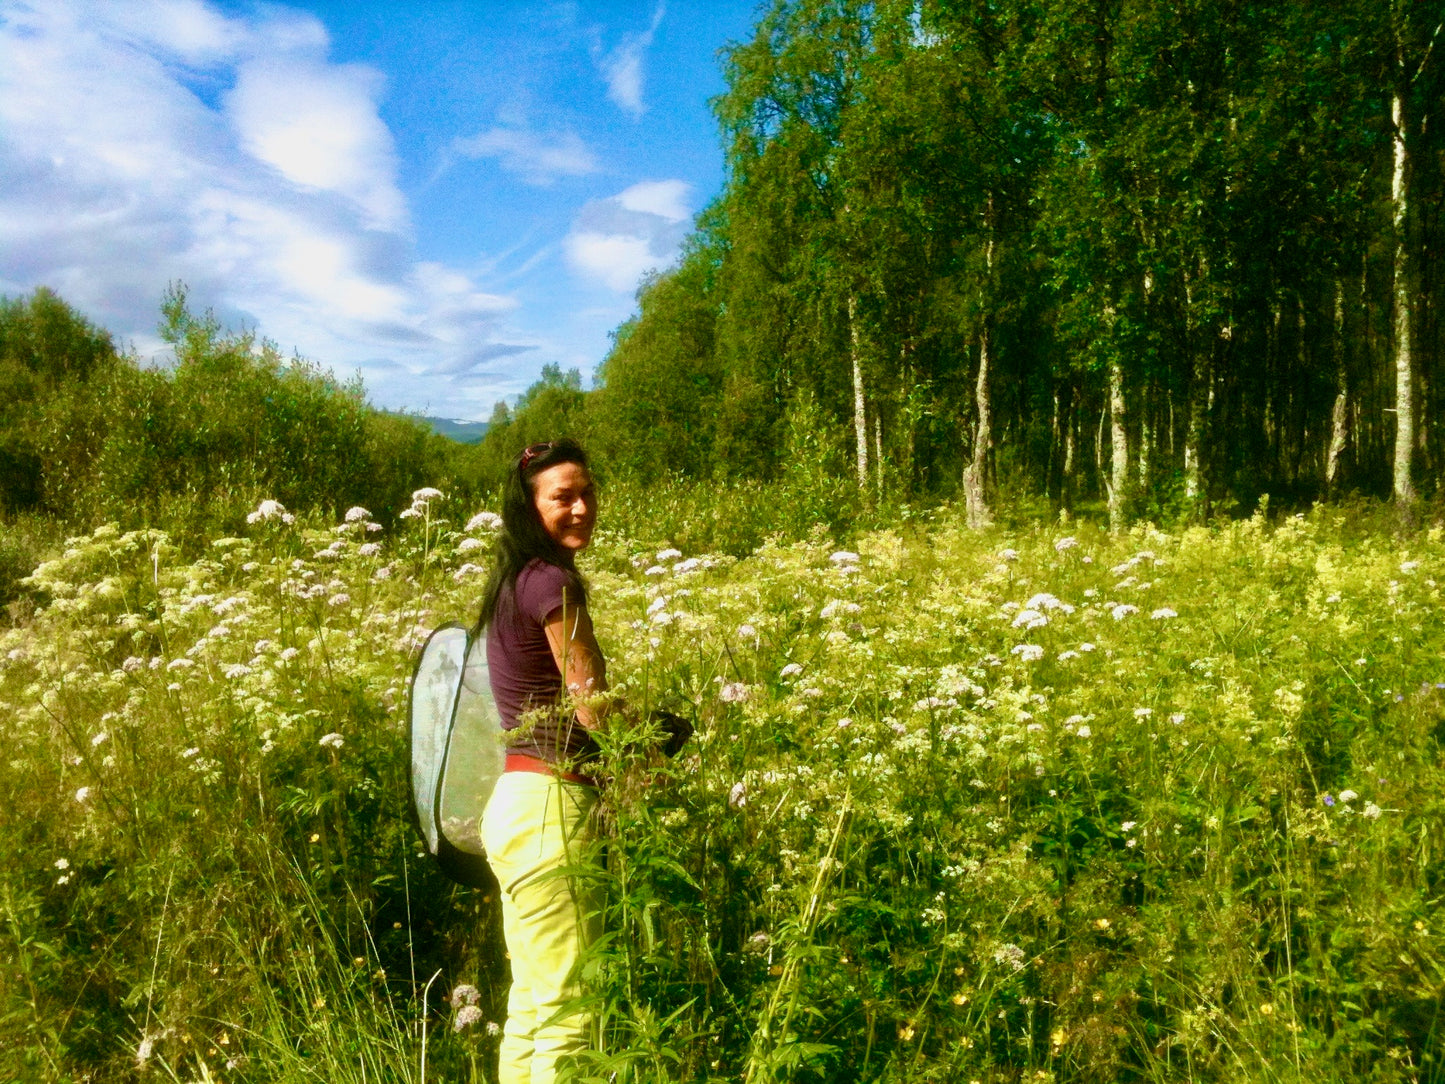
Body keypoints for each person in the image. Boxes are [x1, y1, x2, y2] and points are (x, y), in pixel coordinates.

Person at [477, 438, 608, 1084]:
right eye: (563, 497)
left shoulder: (512, 581)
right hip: (554, 810)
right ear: (529, 507)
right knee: (569, 1012)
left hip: (513, 808)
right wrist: (656, 737)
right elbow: (594, 709)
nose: (581, 507)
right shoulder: (551, 583)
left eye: (587, 493)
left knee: (532, 1002)